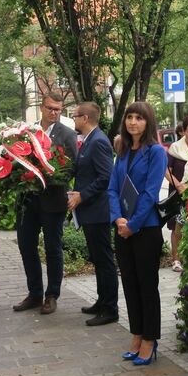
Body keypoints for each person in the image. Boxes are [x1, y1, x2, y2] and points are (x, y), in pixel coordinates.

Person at [107, 101, 167, 367]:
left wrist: (133, 224)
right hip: (122, 228)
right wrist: (118, 218)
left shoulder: (156, 152)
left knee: (146, 286)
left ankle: (150, 340)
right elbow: (111, 189)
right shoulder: (121, 151)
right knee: (130, 286)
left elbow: (150, 193)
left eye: (139, 118)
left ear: (148, 122)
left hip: (146, 229)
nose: (133, 122)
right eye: (130, 117)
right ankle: (136, 333)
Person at [13, 93, 78, 315]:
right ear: (42, 107)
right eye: (50, 108)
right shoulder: (26, 132)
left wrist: (52, 175)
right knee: (26, 246)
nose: (53, 113)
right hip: (27, 200)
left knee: (53, 249)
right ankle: (34, 293)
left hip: (53, 200)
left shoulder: (68, 135)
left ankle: (51, 295)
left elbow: (72, 168)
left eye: (58, 110)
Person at [67, 102, 119, 327]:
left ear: (85, 118)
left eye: (75, 115)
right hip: (90, 211)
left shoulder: (98, 142)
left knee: (105, 261)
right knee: (97, 259)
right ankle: (102, 301)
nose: (73, 119)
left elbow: (106, 177)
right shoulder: (89, 140)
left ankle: (110, 309)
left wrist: (81, 196)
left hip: (98, 211)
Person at [165, 114, 188, 272]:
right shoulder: (175, 148)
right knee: (177, 226)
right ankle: (176, 260)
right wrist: (179, 185)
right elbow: (167, 171)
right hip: (178, 193)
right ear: (183, 131)